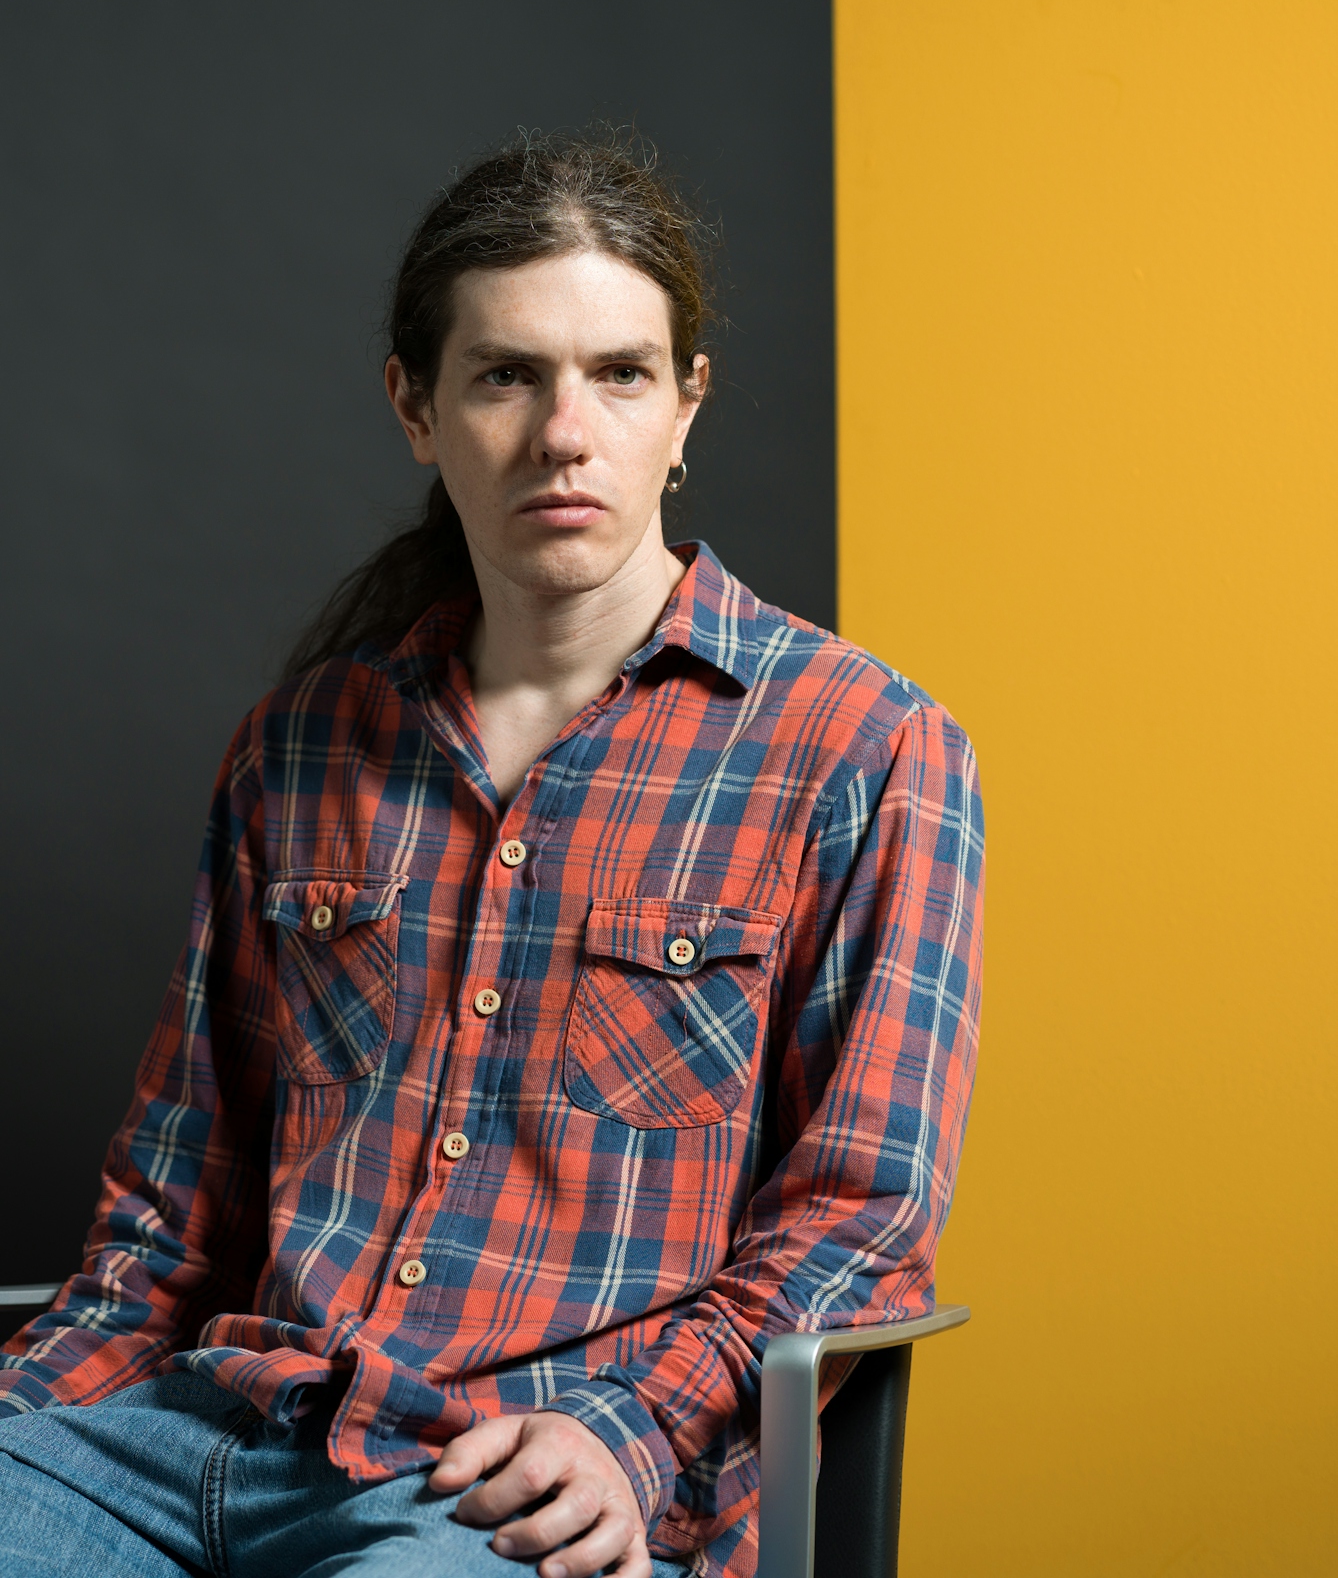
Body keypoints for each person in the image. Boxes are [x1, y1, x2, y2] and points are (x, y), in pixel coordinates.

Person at [0, 134, 983, 1578]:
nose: (564, 432)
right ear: (416, 407)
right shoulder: (302, 746)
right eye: (507, 375)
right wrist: (28, 1426)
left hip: (505, 1488)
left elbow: (861, 1215)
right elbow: (169, 1205)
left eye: (621, 375)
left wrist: (634, 1436)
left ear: (685, 404)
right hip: (196, 1438)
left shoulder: (863, 748)